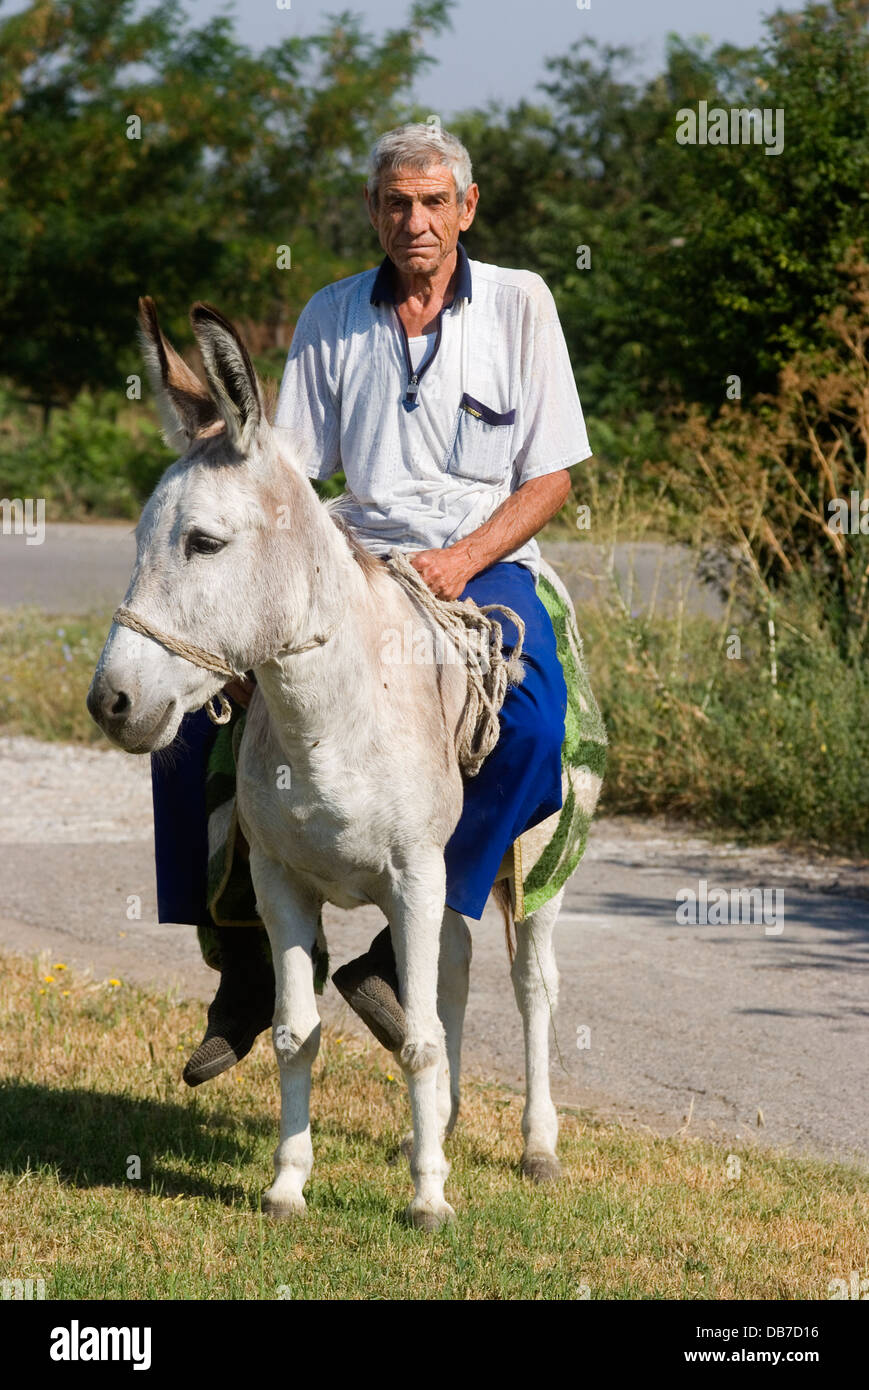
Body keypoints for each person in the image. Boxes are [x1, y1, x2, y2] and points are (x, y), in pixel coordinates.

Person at [150, 122, 592, 1083]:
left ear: (467, 208)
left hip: (480, 563)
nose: (416, 221)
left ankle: (396, 958)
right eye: (397, 203)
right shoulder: (332, 312)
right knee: (188, 726)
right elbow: (293, 471)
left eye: (435, 202)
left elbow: (553, 473)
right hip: (352, 557)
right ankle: (244, 971)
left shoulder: (521, 303)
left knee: (531, 724)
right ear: (372, 211)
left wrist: (467, 556)